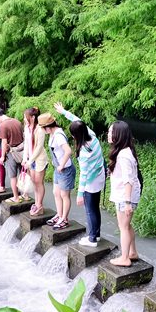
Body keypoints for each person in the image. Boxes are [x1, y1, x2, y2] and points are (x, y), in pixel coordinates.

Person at [55, 103, 106, 247]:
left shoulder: (84, 152)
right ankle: (95, 235)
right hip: (99, 175)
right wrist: (64, 112)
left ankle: (92, 239)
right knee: (95, 208)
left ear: (75, 136)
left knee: (90, 211)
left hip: (91, 181)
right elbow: (78, 120)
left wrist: (79, 194)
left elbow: (84, 174)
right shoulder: (92, 136)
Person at [107, 121, 142, 267]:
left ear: (118, 135)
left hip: (125, 196)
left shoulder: (123, 155)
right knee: (126, 226)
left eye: (110, 132)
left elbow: (128, 180)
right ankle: (132, 253)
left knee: (123, 227)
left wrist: (127, 203)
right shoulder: (125, 151)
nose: (108, 134)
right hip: (124, 195)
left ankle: (124, 258)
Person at [40, 112, 75, 229]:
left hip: (65, 169)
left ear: (48, 127)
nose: (43, 131)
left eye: (43, 128)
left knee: (64, 195)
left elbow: (68, 151)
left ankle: (64, 219)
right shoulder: (53, 133)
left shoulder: (58, 135)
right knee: (56, 192)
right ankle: (59, 215)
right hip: (58, 168)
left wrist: (61, 165)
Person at [0, 109, 24, 201]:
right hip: (22, 152)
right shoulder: (17, 121)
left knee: (13, 176)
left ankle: (16, 197)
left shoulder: (3, 125)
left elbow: (4, 142)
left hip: (11, 153)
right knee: (22, 174)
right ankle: (24, 195)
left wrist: (2, 156)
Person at [23, 107, 48, 215]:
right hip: (30, 159)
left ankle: (39, 205)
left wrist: (30, 160)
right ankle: (37, 204)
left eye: (26, 117)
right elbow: (26, 144)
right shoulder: (27, 127)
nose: (24, 119)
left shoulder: (40, 129)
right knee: (34, 182)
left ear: (32, 117)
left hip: (39, 159)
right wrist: (25, 159)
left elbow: (39, 147)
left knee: (39, 182)